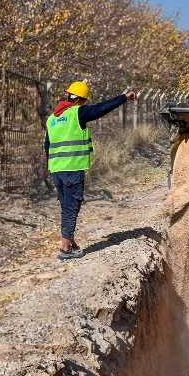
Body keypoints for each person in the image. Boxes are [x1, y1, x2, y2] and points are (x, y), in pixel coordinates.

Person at [45, 81, 136, 260]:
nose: (85, 105)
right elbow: (100, 109)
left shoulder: (52, 119)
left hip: (56, 169)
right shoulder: (76, 112)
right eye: (84, 102)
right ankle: (65, 248)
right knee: (72, 206)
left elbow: (47, 146)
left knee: (66, 206)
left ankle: (69, 241)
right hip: (73, 167)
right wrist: (124, 98)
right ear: (78, 99)